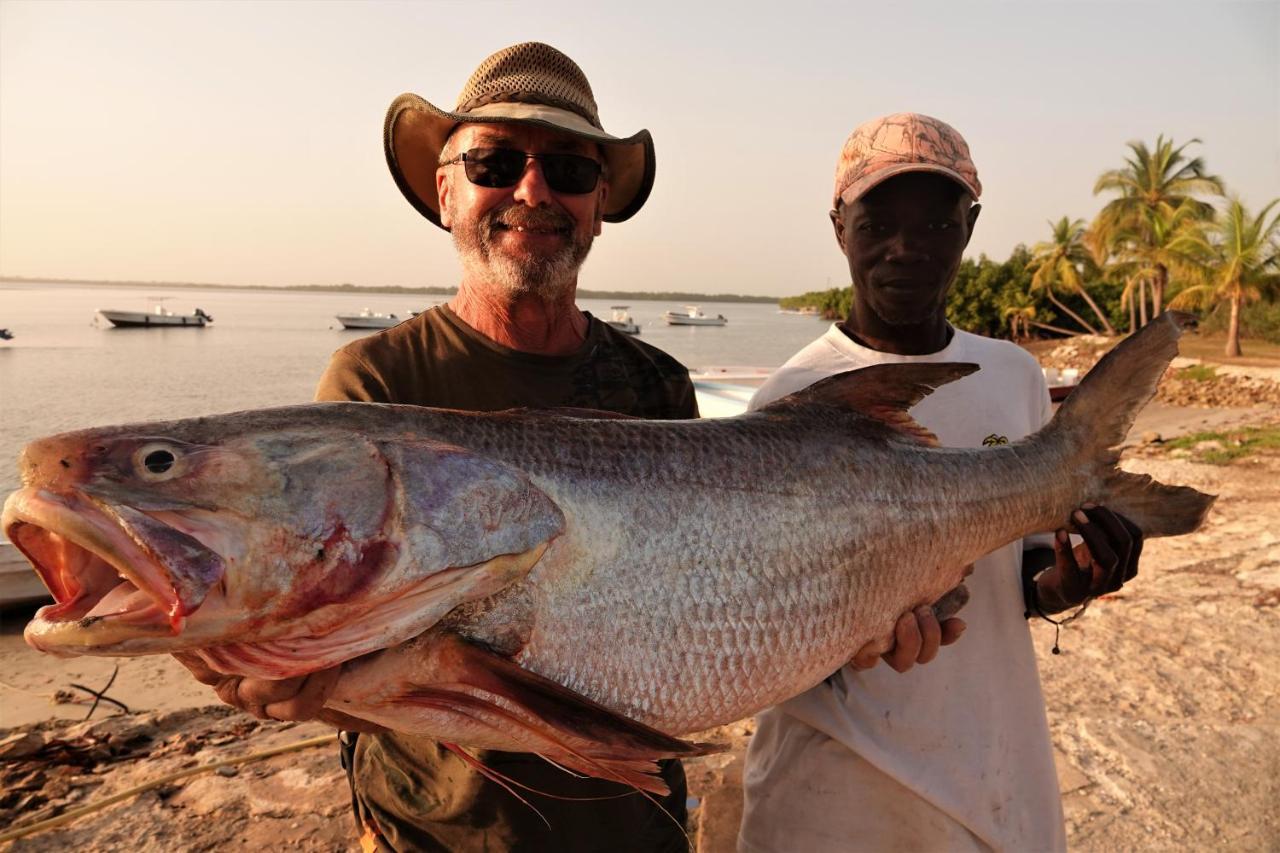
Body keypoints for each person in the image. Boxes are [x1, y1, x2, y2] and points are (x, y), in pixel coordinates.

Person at [177, 42, 698, 852]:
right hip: (431, 831)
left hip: (636, 825)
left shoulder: (659, 384)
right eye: (495, 161)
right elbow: (348, 642)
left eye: (567, 168)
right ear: (446, 190)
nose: (532, 190)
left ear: (598, 203)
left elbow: (695, 602)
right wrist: (293, 685)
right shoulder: (376, 382)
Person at [737, 113, 1144, 852]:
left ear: (970, 225)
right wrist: (855, 631)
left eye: (935, 223)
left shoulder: (1012, 375)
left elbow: (1019, 580)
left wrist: (1074, 579)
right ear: (838, 227)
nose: (906, 248)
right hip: (829, 786)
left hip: (989, 768)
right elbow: (763, 625)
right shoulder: (787, 401)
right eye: (877, 224)